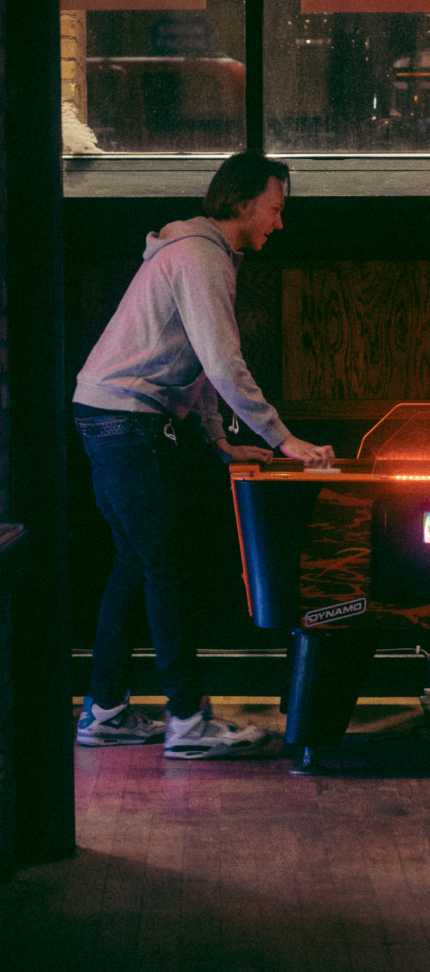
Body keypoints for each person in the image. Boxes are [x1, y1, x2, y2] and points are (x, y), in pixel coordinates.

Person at [73, 150, 334, 759]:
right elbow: (221, 361)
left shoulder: (195, 254)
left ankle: (105, 711)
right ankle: (187, 722)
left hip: (107, 415)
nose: (279, 222)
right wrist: (282, 439)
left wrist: (217, 440)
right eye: (275, 208)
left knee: (136, 564)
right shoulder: (199, 257)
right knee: (166, 567)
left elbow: (196, 365)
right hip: (128, 421)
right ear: (243, 203)